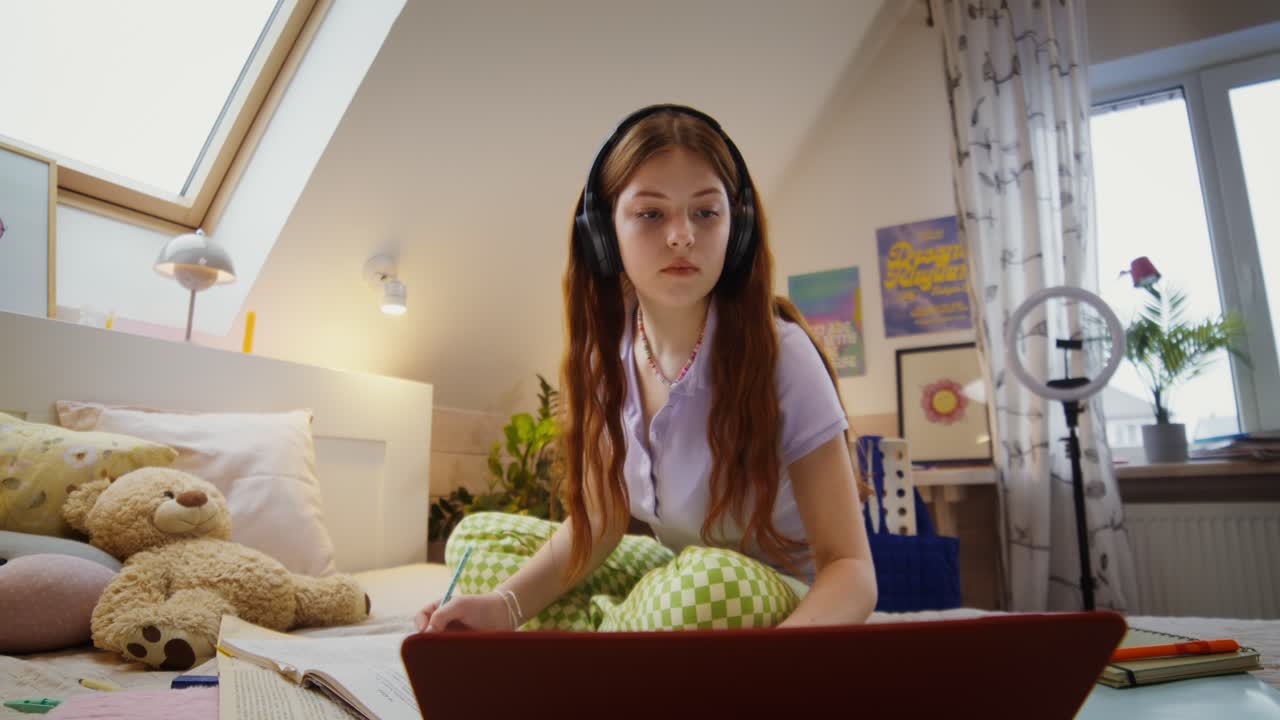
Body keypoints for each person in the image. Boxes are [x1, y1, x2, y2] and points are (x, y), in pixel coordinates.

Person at [415, 104, 876, 633]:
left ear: (738, 229)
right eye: (651, 214)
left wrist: (774, 662)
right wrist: (504, 606)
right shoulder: (607, 359)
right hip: (680, 580)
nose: (681, 236)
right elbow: (600, 522)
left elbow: (851, 569)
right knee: (476, 542)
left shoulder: (782, 355)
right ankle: (633, 629)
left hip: (776, 599)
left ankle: (618, 637)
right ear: (604, 235)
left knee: (710, 586)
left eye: (706, 212)